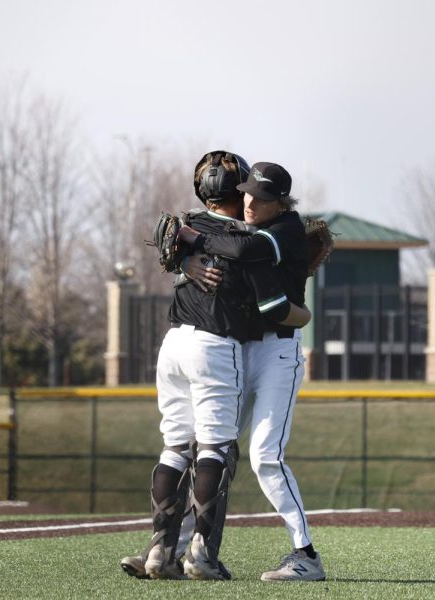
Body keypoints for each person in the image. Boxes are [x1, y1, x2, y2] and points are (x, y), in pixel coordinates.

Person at [120, 152, 310, 581]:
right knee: (214, 449)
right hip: (214, 345)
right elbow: (271, 301)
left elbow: (171, 244)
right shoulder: (251, 241)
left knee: (174, 447)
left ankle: (158, 552)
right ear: (238, 188)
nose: (249, 202)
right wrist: (304, 314)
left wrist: (184, 260)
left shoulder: (188, 226)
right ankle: (201, 555)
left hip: (172, 344)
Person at [178, 162, 327, 582]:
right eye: (246, 193)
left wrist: (195, 236)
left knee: (266, 456)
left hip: (278, 355)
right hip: (242, 350)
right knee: (215, 445)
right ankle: (183, 544)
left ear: (280, 203)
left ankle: (306, 555)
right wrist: (184, 259)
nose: (248, 202)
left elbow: (242, 254)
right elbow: (215, 254)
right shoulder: (247, 227)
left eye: (260, 198)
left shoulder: (286, 230)